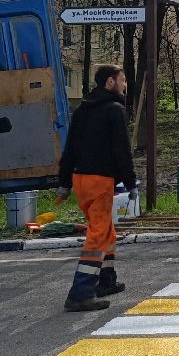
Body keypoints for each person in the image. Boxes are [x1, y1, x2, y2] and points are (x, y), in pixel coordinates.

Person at [54, 64, 137, 312]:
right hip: (100, 181)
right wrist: (131, 183)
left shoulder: (82, 109)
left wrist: (64, 182)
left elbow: (70, 147)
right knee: (98, 236)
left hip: (81, 180)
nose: (125, 85)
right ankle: (80, 294)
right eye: (122, 80)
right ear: (110, 82)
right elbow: (122, 150)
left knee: (106, 231)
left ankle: (106, 281)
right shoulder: (115, 110)